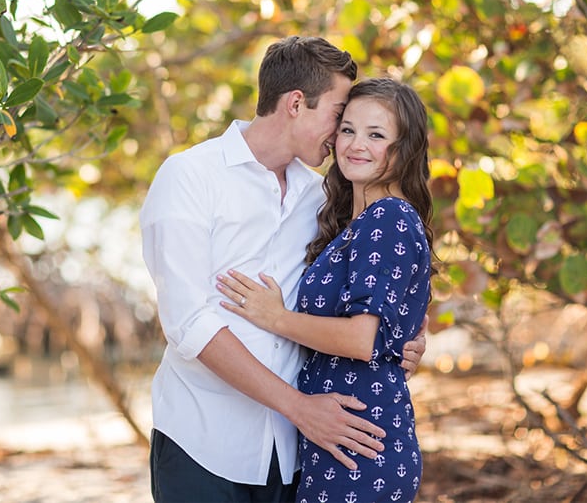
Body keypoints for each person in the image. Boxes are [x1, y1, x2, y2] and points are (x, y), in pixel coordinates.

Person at [140, 37, 427, 503]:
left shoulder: (320, 198)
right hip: (205, 441)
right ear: (297, 103)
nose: (341, 136)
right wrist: (300, 409)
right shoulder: (190, 177)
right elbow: (189, 323)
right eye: (339, 116)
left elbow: (375, 284)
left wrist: (408, 337)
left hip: (298, 451)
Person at [217, 77, 433, 503]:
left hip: (360, 443)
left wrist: (275, 317)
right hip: (337, 436)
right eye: (348, 129)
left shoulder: (387, 218)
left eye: (377, 135)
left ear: (403, 148)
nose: (356, 144)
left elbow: (359, 338)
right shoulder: (351, 221)